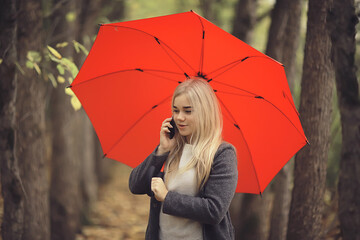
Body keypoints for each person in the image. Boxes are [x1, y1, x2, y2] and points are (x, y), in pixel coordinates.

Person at [129, 78, 238, 240]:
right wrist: (162, 150)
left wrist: (167, 197)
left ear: (204, 112)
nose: (179, 117)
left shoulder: (221, 153)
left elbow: (214, 210)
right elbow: (136, 186)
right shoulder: (172, 147)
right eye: (176, 110)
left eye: (187, 111)